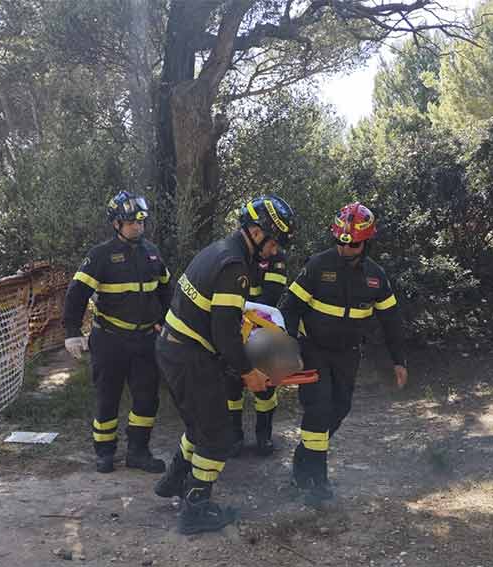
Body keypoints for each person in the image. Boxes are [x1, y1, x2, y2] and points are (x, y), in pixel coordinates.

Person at [153, 195, 296, 534]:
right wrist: (249, 373)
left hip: (175, 350)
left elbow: (221, 321)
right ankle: (196, 509)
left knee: (199, 424)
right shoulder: (235, 266)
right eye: (274, 242)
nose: (275, 251)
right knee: (217, 436)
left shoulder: (219, 250)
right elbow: (225, 332)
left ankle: (174, 480)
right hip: (189, 356)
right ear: (257, 232)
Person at [280, 202, 408, 505]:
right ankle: (317, 480)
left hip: (348, 355)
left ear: (366, 243)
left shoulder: (376, 276)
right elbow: (290, 307)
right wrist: (289, 345)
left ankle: (303, 461)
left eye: (352, 245)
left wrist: (399, 361)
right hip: (314, 351)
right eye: (340, 242)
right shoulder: (317, 265)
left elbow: (391, 320)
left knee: (339, 409)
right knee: (319, 409)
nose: (345, 249)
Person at [62, 191, 171, 474]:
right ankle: (105, 452)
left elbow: (165, 291)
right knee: (107, 398)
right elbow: (76, 294)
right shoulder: (100, 255)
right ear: (116, 224)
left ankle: (138, 451)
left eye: (141, 222)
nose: (138, 227)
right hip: (109, 340)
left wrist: (166, 321)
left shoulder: (153, 252)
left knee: (147, 398)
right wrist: (72, 331)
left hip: (146, 340)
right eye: (131, 222)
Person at [226, 217, 290, 457]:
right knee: (231, 386)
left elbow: (272, 295)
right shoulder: (235, 255)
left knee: (265, 388)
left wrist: (246, 310)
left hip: (262, 325)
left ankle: (264, 436)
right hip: (233, 325)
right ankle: (234, 437)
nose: (274, 249)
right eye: (272, 244)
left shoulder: (277, 259)